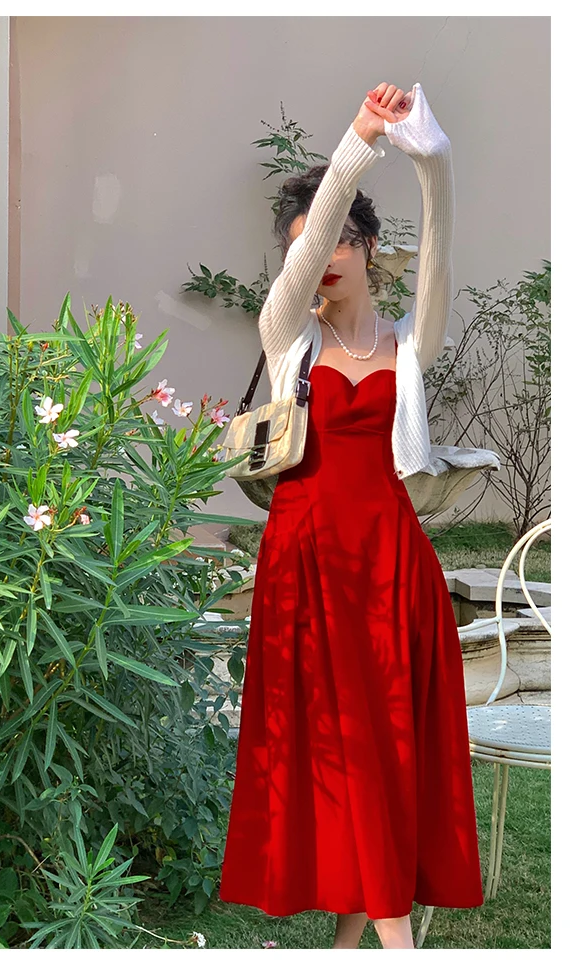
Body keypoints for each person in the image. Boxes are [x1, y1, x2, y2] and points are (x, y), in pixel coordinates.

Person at [218, 82, 485, 949]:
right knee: (343, 751)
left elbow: (440, 263)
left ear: (370, 248)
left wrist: (435, 167)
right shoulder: (288, 336)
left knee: (385, 751)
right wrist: (358, 140)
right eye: (308, 245)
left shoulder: (409, 345)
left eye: (340, 241)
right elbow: (304, 259)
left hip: (391, 569)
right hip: (307, 566)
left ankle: (349, 948)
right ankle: (399, 948)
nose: (324, 256)